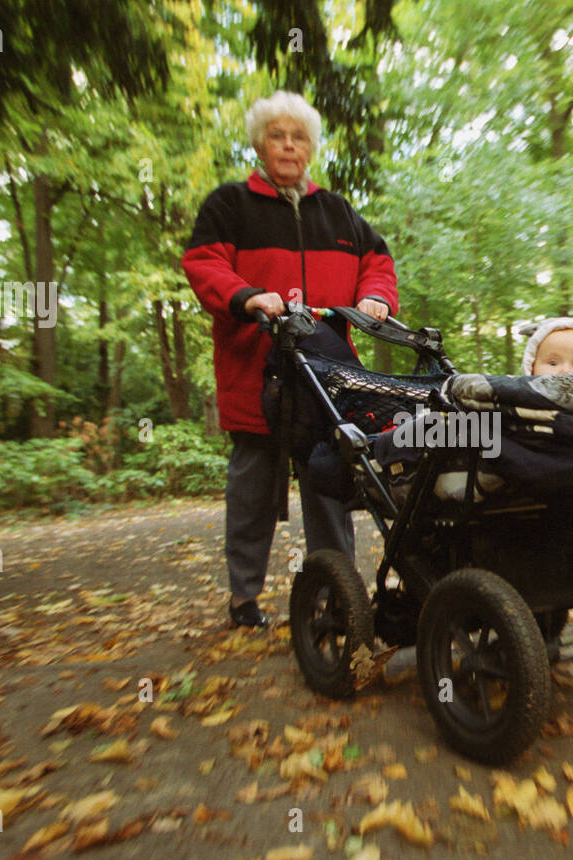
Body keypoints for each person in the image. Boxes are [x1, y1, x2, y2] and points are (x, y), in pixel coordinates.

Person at [182, 91, 398, 628]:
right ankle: (244, 600)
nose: (288, 145)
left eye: (298, 137)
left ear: (311, 147)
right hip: (256, 376)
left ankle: (337, 598)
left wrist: (375, 298)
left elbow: (379, 262)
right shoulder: (229, 205)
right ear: (260, 144)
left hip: (327, 381)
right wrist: (247, 295)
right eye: (277, 135)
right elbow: (203, 263)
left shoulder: (338, 212)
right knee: (252, 491)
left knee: (329, 485)